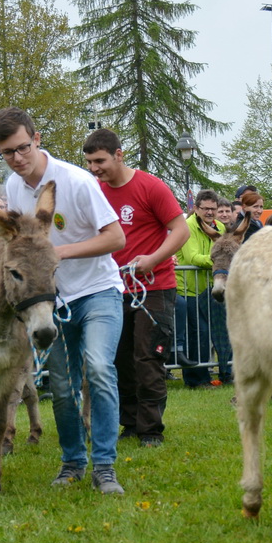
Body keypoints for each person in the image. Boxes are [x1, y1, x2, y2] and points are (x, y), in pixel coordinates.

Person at [0, 108, 127, 494]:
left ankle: (105, 466)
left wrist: (60, 253)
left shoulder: (77, 181)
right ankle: (72, 462)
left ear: (36, 139)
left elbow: (116, 238)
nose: (17, 158)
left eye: (23, 147)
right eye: (7, 152)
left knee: (98, 368)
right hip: (52, 302)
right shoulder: (14, 186)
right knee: (64, 386)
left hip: (98, 291)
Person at [84, 127, 188, 448]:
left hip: (154, 287)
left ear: (119, 155)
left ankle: (151, 429)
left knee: (147, 357)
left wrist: (153, 259)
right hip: (112, 289)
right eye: (89, 162)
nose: (94, 168)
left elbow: (180, 230)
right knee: (120, 360)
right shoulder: (95, 191)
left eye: (100, 161)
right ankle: (129, 423)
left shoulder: (150, 187)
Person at [176, 189, 225, 388]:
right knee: (198, 333)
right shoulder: (188, 227)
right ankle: (195, 379)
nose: (210, 212)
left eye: (213, 208)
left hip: (209, 290)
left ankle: (204, 375)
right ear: (196, 208)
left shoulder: (220, 227)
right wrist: (221, 261)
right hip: (188, 289)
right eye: (205, 208)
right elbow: (192, 258)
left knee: (207, 333)